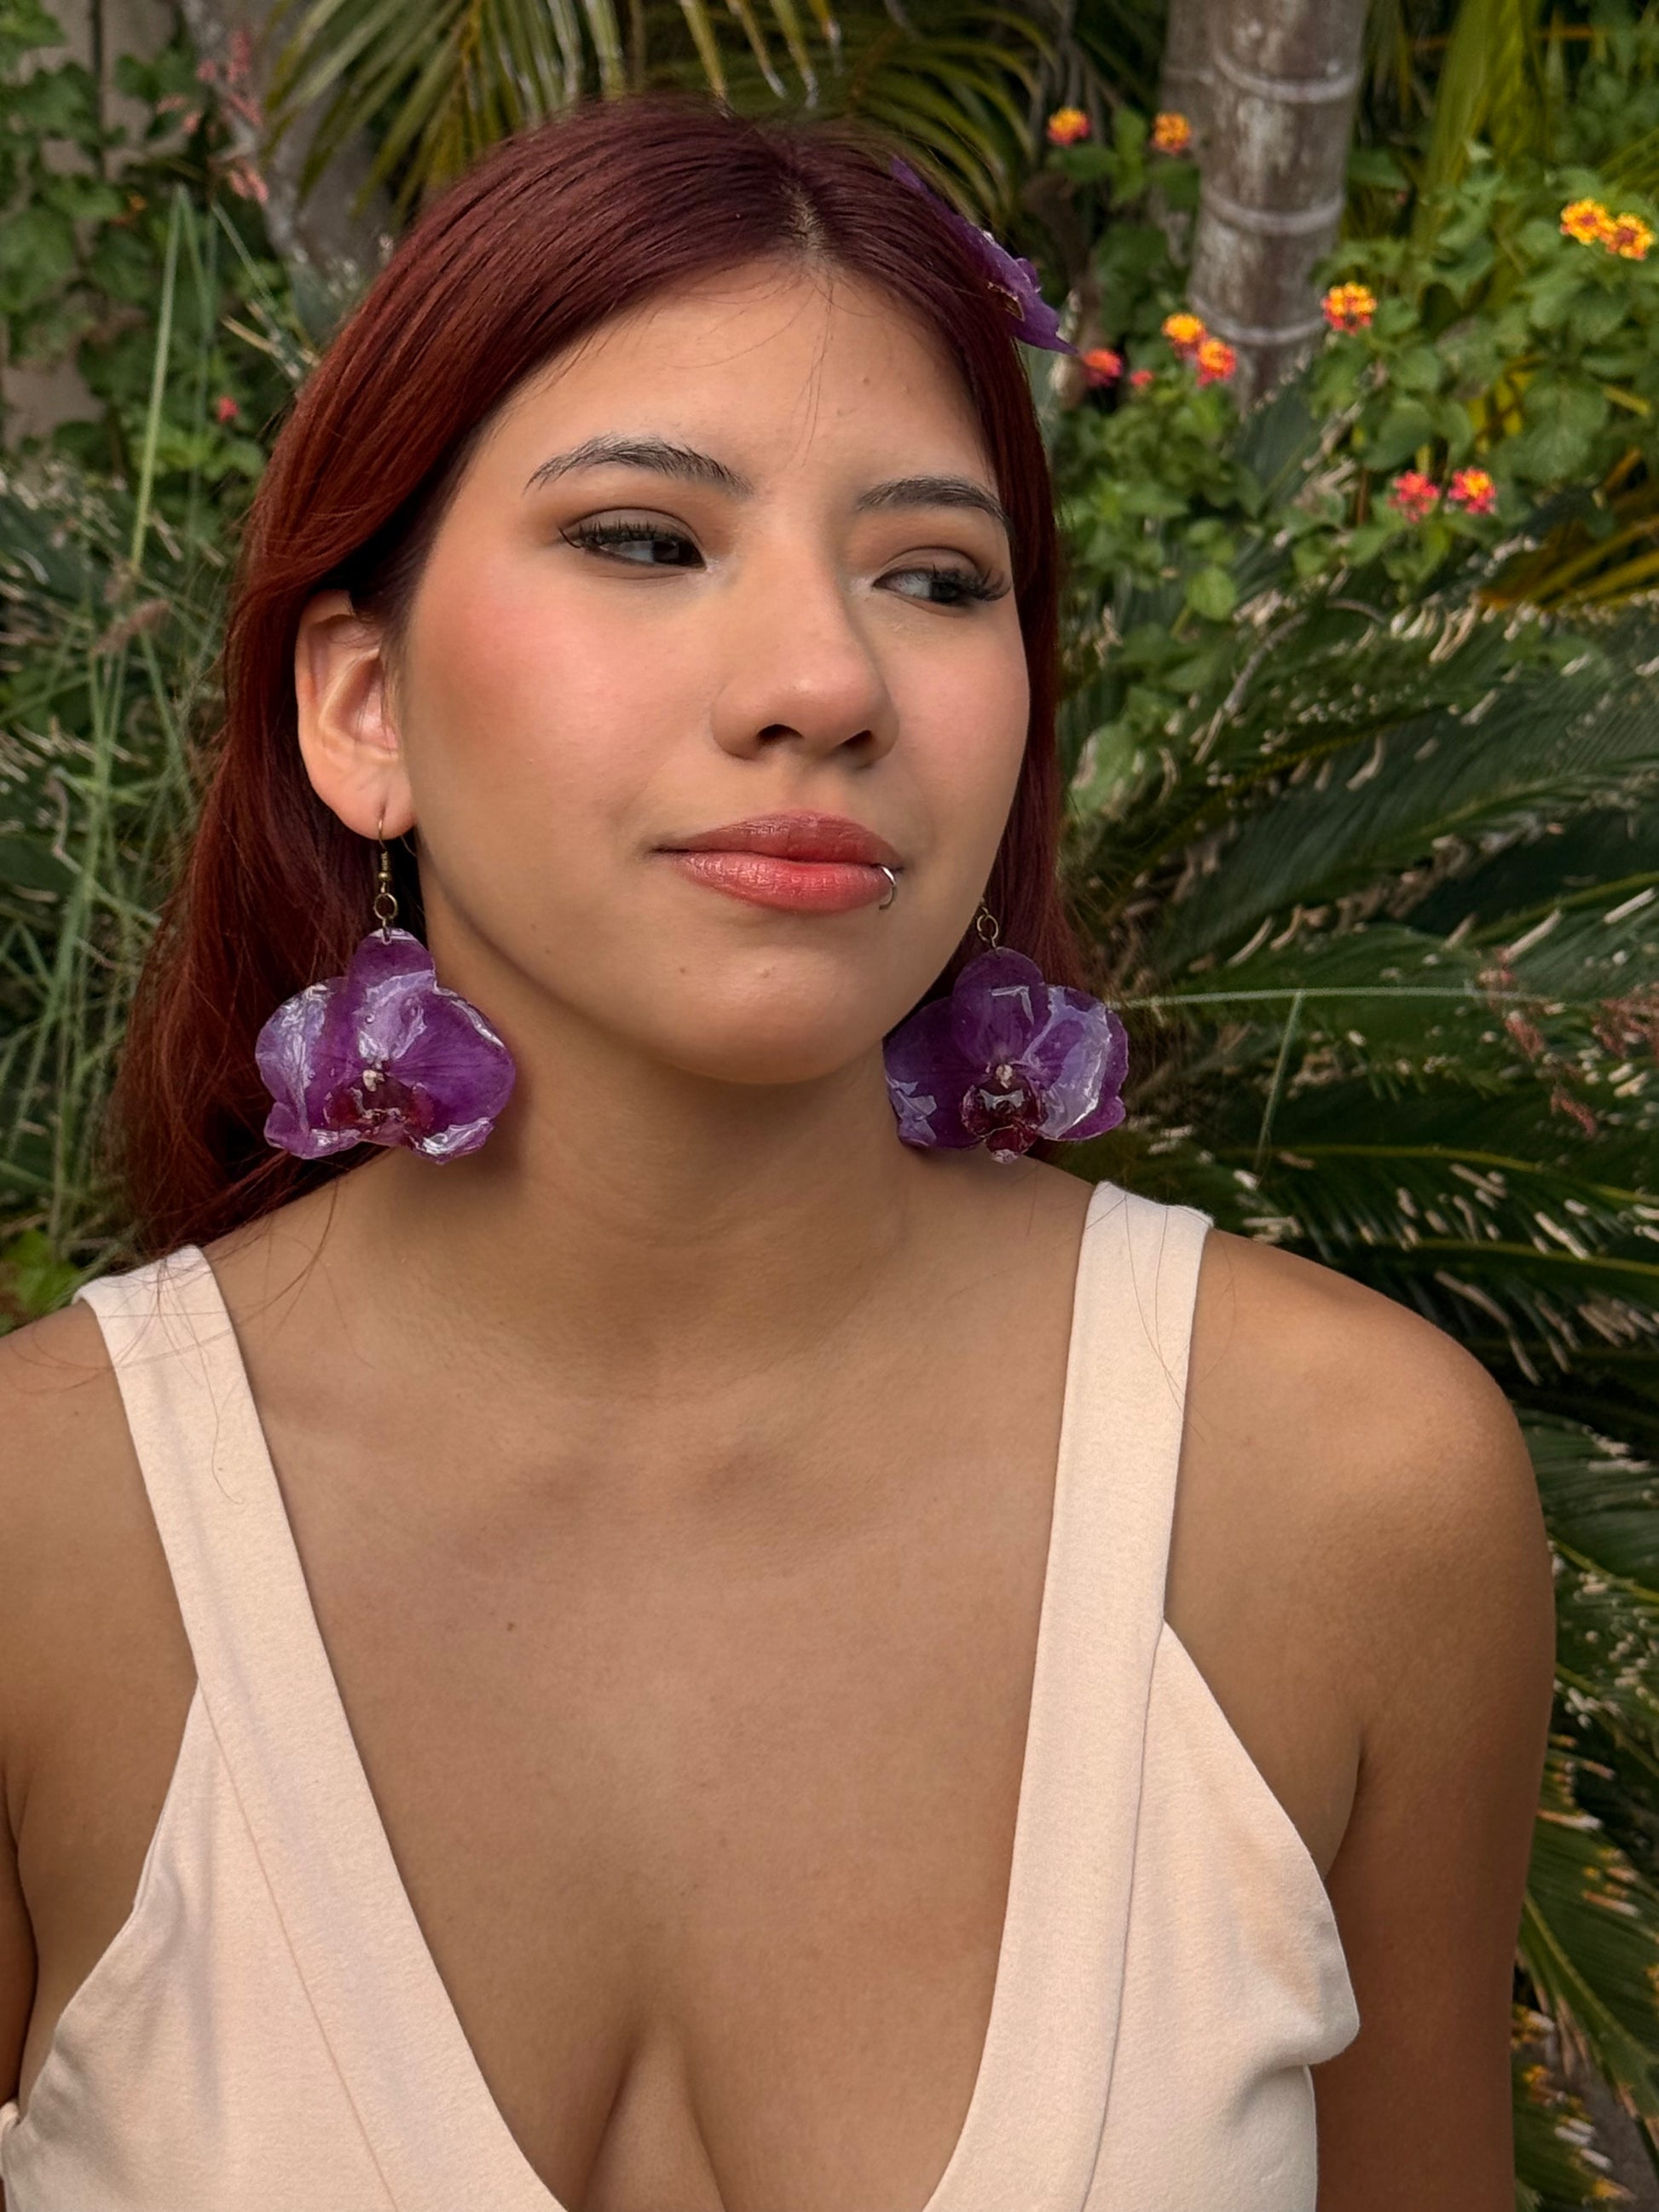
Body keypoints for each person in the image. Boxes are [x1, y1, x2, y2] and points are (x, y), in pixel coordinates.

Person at [0, 94, 1554, 2212]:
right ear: (360, 706)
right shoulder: (48, 1537)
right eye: (645, 539)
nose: (826, 680)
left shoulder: (1344, 1490)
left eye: (934, 577)